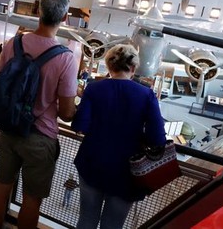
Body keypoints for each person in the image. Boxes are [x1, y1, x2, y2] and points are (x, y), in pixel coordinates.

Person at [0, 0, 78, 229]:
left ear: (38, 12)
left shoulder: (14, 43)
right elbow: (68, 113)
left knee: (1, 185)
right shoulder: (66, 59)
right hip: (40, 137)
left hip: (9, 130)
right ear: (65, 18)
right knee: (31, 199)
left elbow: (3, 80)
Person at [71, 44, 167, 229]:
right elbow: (157, 139)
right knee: (113, 225)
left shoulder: (93, 89)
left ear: (109, 66)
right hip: (126, 170)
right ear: (133, 68)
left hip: (92, 162)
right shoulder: (146, 95)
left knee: (86, 220)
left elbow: (80, 126)